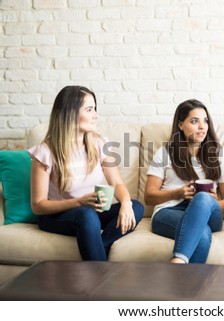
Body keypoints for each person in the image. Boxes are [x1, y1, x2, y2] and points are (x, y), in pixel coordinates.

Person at [29, 85, 144, 261]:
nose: (95, 115)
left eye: (95, 109)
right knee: (86, 214)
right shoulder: (45, 152)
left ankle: (100, 249)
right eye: (89, 109)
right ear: (70, 113)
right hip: (56, 216)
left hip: (91, 212)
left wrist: (126, 203)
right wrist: (78, 202)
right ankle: (100, 276)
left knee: (136, 206)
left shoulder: (99, 144)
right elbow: (38, 205)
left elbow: (117, 183)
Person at [145, 99, 224, 264]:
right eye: (195, 121)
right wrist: (178, 193)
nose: (202, 126)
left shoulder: (218, 154)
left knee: (202, 198)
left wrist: (211, 203)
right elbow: (149, 197)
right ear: (180, 125)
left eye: (205, 121)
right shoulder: (165, 152)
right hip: (168, 211)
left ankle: (177, 262)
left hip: (208, 212)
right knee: (201, 234)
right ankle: (186, 282)